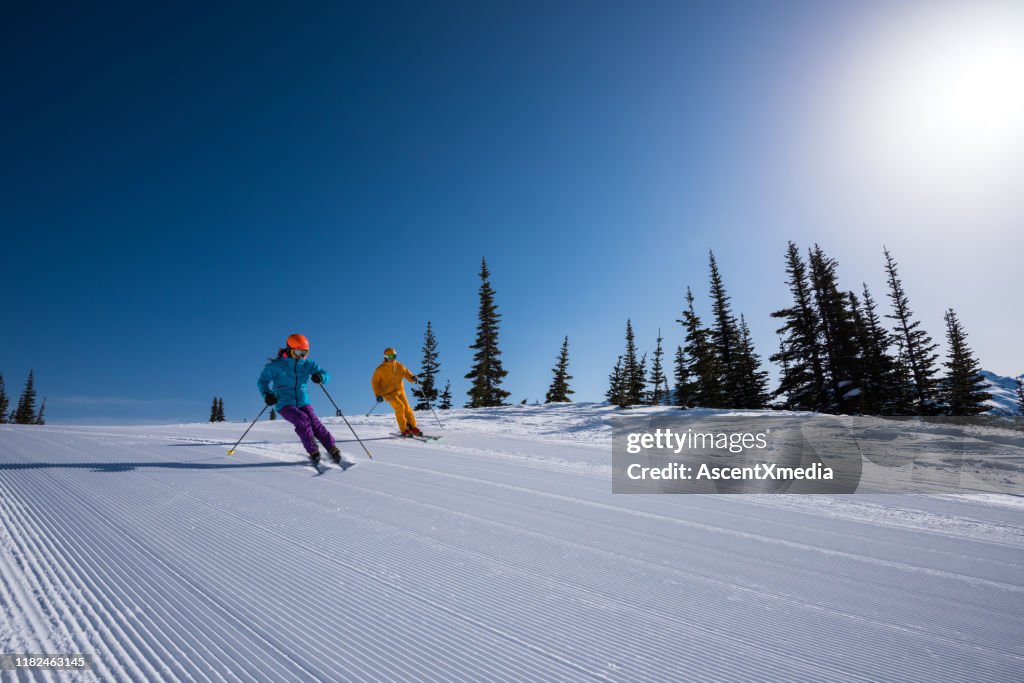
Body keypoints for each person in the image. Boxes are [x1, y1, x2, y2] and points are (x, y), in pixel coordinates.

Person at [258, 334, 354, 468]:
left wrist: (320, 377)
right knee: (302, 420)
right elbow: (262, 381)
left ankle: (332, 449)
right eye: (298, 352)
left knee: (315, 424)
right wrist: (267, 394)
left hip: (304, 401)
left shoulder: (308, 364)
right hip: (284, 403)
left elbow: (326, 374)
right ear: (290, 350)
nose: (302, 356)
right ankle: (313, 451)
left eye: (305, 353)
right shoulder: (277, 366)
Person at [371, 347, 422, 436]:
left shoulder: (399, 366)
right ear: (385, 357)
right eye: (390, 357)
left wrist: (412, 377)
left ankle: (412, 426)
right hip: (388, 394)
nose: (392, 359)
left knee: (407, 408)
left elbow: (406, 373)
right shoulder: (380, 369)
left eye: (394, 356)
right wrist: (378, 394)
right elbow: (375, 382)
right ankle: (404, 429)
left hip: (400, 391)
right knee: (400, 407)